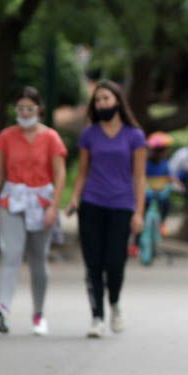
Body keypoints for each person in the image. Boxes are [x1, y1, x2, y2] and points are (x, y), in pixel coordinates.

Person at [0, 87, 68, 336]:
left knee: (38, 257)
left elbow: (60, 173)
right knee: (11, 252)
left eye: (29, 109)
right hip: (13, 199)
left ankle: (38, 314)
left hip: (41, 200)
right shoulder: (6, 137)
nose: (25, 113)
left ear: (39, 110)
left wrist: (54, 206)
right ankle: (3, 309)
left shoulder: (51, 137)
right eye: (20, 109)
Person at [66, 81, 146, 338]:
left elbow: (139, 177)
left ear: (118, 102)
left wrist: (139, 212)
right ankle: (97, 317)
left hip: (122, 205)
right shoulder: (89, 134)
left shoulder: (134, 136)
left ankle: (114, 302)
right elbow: (82, 173)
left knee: (115, 262)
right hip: (92, 203)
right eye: (98, 100)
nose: (101, 104)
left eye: (106, 99)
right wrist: (75, 198)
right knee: (93, 264)